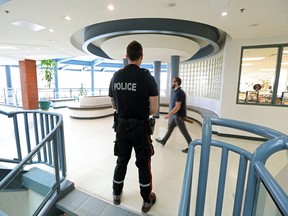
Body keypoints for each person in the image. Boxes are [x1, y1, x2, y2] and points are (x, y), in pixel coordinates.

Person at [108, 40, 159, 213]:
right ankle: (146, 200)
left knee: (121, 160)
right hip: (140, 128)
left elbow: (113, 104)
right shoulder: (147, 77)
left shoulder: (116, 76)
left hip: (121, 127)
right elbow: (154, 108)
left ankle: (116, 193)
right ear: (141, 57)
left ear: (126, 56)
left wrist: (125, 109)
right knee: (143, 163)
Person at [155, 77, 192, 153]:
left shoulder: (179, 93)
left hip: (179, 117)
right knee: (170, 129)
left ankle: (191, 147)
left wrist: (169, 114)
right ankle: (163, 141)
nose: (171, 83)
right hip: (176, 116)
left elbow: (177, 106)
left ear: (177, 83)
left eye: (173, 81)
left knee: (184, 132)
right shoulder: (177, 92)